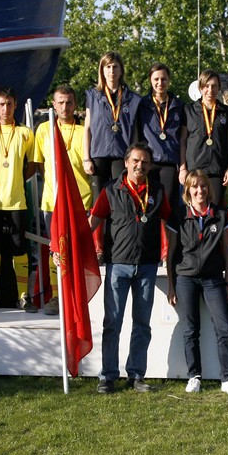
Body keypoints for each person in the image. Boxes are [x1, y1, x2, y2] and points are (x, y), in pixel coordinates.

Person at [89, 143, 171, 394]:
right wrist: (69, 244)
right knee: (112, 323)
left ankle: (136, 374)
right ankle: (108, 376)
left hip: (146, 265)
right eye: (136, 161)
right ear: (126, 162)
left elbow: (168, 223)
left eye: (145, 162)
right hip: (118, 266)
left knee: (142, 324)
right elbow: (93, 221)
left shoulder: (157, 189)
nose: (140, 166)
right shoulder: (111, 189)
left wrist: (167, 253)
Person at [166, 170, 228, 394]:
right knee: (190, 330)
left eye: (203, 186)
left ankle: (227, 378)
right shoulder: (178, 215)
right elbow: (171, 252)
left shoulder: (220, 214)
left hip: (213, 279)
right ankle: (194, 376)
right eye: (195, 187)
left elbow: (227, 250)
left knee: (223, 327)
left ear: (209, 189)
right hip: (185, 278)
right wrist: (170, 284)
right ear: (188, 190)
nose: (200, 191)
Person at [32, 84, 92, 316]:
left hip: (81, 200)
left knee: (79, 251)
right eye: (60, 102)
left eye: (69, 102)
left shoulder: (84, 130)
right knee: (56, 251)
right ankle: (57, 296)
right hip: (52, 201)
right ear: (53, 105)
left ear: (75, 104)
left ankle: (79, 296)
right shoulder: (44, 130)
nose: (65, 107)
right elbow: (39, 165)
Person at [0, 86, 36, 312]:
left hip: (17, 200)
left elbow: (32, 165)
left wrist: (18, 180)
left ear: (15, 104)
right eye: (1, 104)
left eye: (9, 104)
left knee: (20, 248)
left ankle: (23, 296)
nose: (5, 108)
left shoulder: (25, 133)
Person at [83, 51, 143, 195]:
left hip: (122, 155)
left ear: (121, 70)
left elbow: (136, 131)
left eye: (115, 67)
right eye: (108, 67)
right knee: (99, 199)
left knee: (120, 196)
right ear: (102, 70)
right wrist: (86, 158)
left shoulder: (133, 98)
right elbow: (87, 128)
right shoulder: (92, 96)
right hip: (98, 154)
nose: (111, 71)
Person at [179, 69, 228, 207]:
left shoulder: (226, 112)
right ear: (200, 87)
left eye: (214, 86)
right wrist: (182, 168)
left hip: (217, 169)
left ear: (219, 87)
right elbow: (182, 141)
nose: (210, 90)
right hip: (194, 169)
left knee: (215, 210)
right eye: (207, 86)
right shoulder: (188, 111)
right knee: (194, 209)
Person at [138, 62, 184, 209]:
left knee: (168, 205)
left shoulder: (179, 106)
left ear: (169, 80)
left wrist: (183, 166)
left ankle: (168, 233)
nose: (160, 83)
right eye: (156, 79)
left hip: (170, 164)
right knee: (148, 205)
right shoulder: (142, 105)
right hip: (148, 164)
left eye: (163, 79)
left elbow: (183, 139)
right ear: (150, 80)